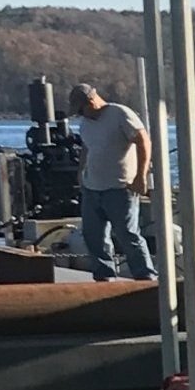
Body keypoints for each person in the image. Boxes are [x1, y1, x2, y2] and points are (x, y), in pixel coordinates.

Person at [69, 81, 156, 280]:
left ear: (91, 102)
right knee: (93, 237)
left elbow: (143, 141)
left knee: (128, 235)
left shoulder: (120, 114)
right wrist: (81, 171)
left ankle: (145, 277)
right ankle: (104, 277)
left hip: (120, 188)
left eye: (81, 110)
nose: (81, 115)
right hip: (92, 188)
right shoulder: (85, 125)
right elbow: (87, 148)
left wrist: (140, 176)